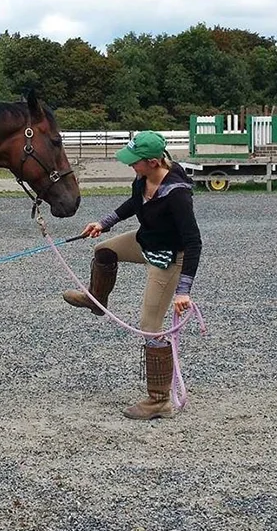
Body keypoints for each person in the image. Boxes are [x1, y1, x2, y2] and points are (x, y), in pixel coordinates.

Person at [62, 131, 202, 420]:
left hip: (168, 259)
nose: (130, 166)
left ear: (152, 162)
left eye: (135, 162)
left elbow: (193, 242)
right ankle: (96, 300)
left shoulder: (177, 194)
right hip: (146, 242)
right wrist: (103, 223)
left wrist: (183, 290)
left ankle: (160, 400)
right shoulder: (142, 179)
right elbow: (132, 204)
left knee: (150, 325)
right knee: (104, 251)